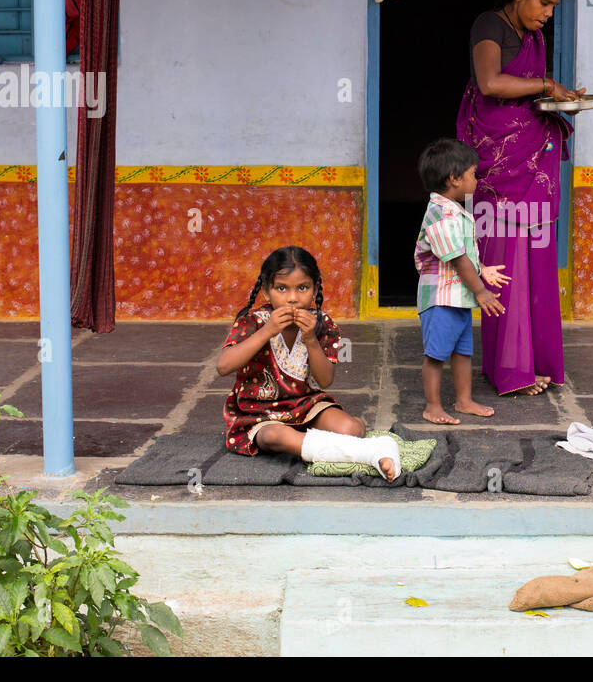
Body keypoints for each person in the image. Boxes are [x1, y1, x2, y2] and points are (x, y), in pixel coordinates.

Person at [457, 0, 584, 396]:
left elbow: (529, 91)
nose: (548, 13)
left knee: (538, 259)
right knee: (505, 264)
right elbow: (490, 83)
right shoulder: (488, 25)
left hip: (534, 160)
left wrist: (558, 95)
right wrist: (547, 85)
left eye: (553, 7)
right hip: (499, 164)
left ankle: (537, 364)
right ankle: (510, 369)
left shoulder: (535, 36)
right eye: (544, 2)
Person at [218, 246, 400, 480]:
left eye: (302, 288)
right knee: (275, 437)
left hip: (304, 405)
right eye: (282, 288)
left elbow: (325, 380)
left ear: (314, 289)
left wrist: (311, 339)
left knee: (351, 430)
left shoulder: (322, 324)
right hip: (258, 413)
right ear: (266, 291)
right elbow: (223, 366)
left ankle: (317, 443)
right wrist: (268, 331)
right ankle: (370, 452)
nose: (293, 298)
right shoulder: (252, 322)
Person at [414, 138, 512, 424]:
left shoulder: (455, 211)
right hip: (441, 299)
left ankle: (464, 400)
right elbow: (457, 259)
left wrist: (482, 268)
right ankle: (433, 406)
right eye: (473, 174)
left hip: (457, 297)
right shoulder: (441, 215)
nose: (476, 180)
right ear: (455, 179)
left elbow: (463, 252)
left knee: (462, 351)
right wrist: (481, 291)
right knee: (435, 354)